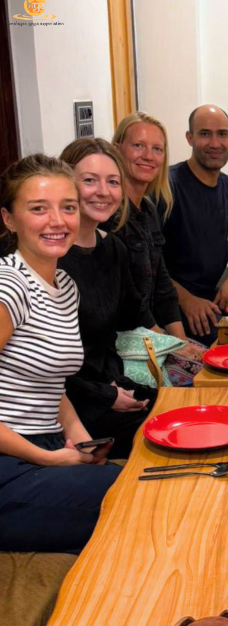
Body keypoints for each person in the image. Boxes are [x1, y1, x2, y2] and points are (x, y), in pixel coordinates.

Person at [0, 154, 120, 554]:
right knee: (135, 505)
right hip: (11, 463)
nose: (58, 221)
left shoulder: (64, 284)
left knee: (141, 483)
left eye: (67, 207)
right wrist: (48, 459)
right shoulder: (9, 287)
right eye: (38, 209)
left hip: (45, 447)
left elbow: (52, 385)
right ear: (9, 219)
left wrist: (83, 443)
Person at [58, 138, 157, 459]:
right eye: (89, 180)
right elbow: (46, 365)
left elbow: (135, 317)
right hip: (69, 405)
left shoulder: (113, 248)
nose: (103, 191)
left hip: (111, 384)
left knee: (187, 406)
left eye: (112, 182)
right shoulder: (51, 256)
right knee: (162, 436)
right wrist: (104, 394)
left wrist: (186, 350)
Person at [161, 105, 228, 346]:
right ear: (189, 138)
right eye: (205, 134)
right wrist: (187, 300)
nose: (215, 143)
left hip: (213, 309)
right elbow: (147, 267)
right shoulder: (167, 187)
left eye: (222, 134)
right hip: (172, 315)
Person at [111, 111, 198, 352]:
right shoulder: (110, 216)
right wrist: (172, 346)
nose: (148, 156)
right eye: (138, 146)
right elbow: (130, 303)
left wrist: (181, 343)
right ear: (117, 149)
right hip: (123, 346)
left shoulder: (149, 209)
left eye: (157, 149)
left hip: (152, 337)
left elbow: (162, 287)